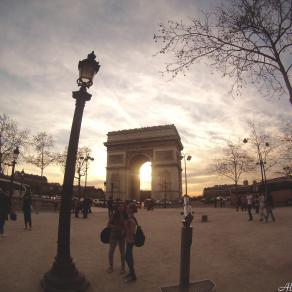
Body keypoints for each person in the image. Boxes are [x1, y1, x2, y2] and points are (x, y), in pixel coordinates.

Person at [107, 204, 126, 274]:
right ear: (117, 208)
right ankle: (111, 266)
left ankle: (123, 267)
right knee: (111, 251)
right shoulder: (114, 215)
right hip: (114, 235)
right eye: (120, 206)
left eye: (122, 206)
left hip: (122, 236)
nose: (121, 208)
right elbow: (108, 224)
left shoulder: (126, 216)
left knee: (122, 252)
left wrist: (124, 229)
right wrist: (114, 227)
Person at [124, 203, 138, 282]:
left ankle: (133, 275)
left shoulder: (131, 218)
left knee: (127, 257)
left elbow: (132, 230)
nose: (126, 209)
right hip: (128, 239)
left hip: (130, 240)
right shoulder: (130, 217)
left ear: (132, 209)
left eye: (128, 208)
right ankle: (131, 272)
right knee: (129, 256)